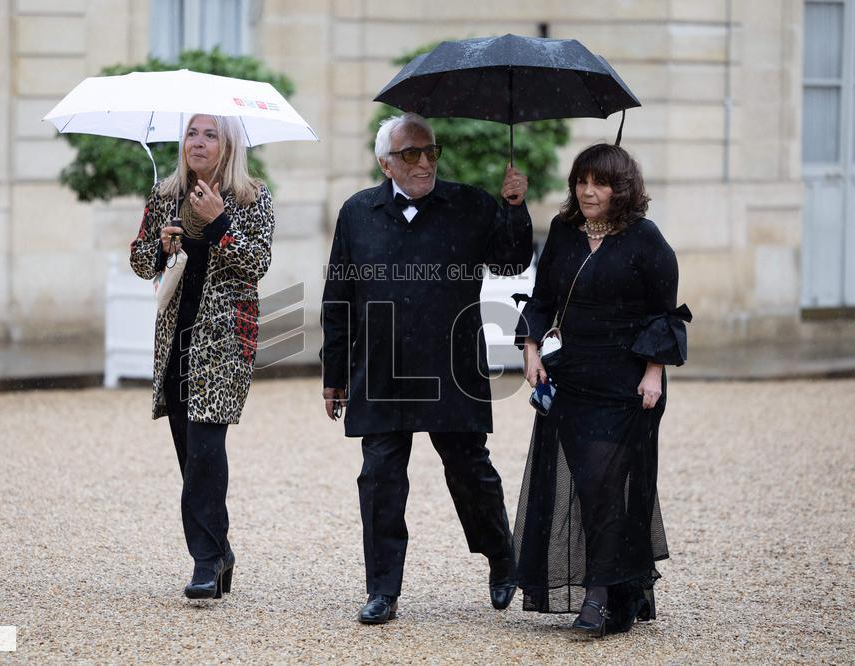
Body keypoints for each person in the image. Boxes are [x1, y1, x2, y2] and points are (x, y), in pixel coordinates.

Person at [320, 112, 533, 624]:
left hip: (451, 365)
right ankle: (382, 590)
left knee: (470, 471)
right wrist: (334, 374)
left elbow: (511, 262)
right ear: (385, 164)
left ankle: (502, 558)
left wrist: (514, 207)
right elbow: (338, 297)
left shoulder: (471, 205)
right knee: (379, 479)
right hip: (382, 368)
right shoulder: (357, 212)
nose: (424, 163)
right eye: (411, 154)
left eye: (431, 151)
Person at [512, 143, 691, 637]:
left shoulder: (646, 239)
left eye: (601, 183)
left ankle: (597, 597)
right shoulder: (563, 231)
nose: (588, 191)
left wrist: (653, 372)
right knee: (593, 488)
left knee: (604, 485)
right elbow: (543, 298)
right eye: (581, 181)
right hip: (572, 379)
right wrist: (530, 349)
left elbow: (664, 313)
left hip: (627, 384)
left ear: (622, 188)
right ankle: (618, 593)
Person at [129, 114, 275, 600]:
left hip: (225, 342)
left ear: (228, 145)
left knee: (207, 450)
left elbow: (257, 262)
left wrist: (219, 223)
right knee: (189, 454)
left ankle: (205, 562)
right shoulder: (165, 195)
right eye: (192, 132)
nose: (198, 142)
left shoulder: (252, 197)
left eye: (210, 134)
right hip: (176, 339)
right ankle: (221, 550)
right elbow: (139, 262)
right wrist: (159, 246)